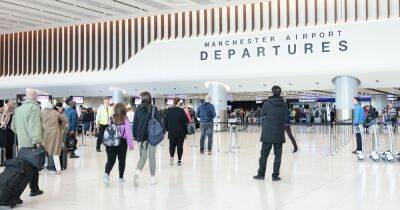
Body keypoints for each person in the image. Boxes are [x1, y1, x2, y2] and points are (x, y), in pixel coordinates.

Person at [11, 89, 44, 200]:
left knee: (24, 169)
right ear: (34, 97)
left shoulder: (18, 109)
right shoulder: (34, 108)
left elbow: (13, 127)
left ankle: (34, 189)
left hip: (22, 145)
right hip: (31, 144)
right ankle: (19, 194)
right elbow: (35, 127)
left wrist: (22, 134)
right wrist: (37, 142)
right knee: (31, 169)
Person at [254, 86, 288, 181]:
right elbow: (286, 118)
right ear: (280, 93)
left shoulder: (267, 103)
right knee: (278, 156)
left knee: (264, 155)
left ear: (272, 92)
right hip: (279, 133)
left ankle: (261, 174)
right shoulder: (284, 104)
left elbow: (262, 114)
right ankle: (275, 176)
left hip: (268, 133)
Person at [132, 92, 162, 186]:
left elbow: (134, 125)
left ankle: (137, 172)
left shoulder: (138, 109)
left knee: (142, 158)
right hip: (152, 137)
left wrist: (137, 138)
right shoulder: (154, 109)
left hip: (141, 138)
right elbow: (160, 123)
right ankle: (152, 179)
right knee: (152, 158)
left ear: (142, 99)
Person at [103, 103, 134, 187]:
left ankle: (106, 174)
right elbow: (128, 133)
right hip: (122, 142)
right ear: (124, 110)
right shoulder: (125, 119)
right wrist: (130, 145)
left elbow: (110, 130)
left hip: (111, 142)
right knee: (121, 160)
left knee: (110, 160)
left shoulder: (111, 118)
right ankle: (121, 178)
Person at [41, 101, 68, 175]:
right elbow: (65, 120)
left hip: (44, 133)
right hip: (55, 133)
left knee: (43, 151)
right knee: (55, 151)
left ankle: (41, 168)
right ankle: (58, 169)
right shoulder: (55, 112)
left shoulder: (40, 112)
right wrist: (61, 128)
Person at [164, 97, 188, 166]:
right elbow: (186, 120)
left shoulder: (169, 110)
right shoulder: (181, 111)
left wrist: (167, 129)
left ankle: (171, 158)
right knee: (180, 146)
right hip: (181, 132)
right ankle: (179, 160)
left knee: (172, 145)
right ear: (178, 102)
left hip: (172, 132)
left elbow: (166, 121)